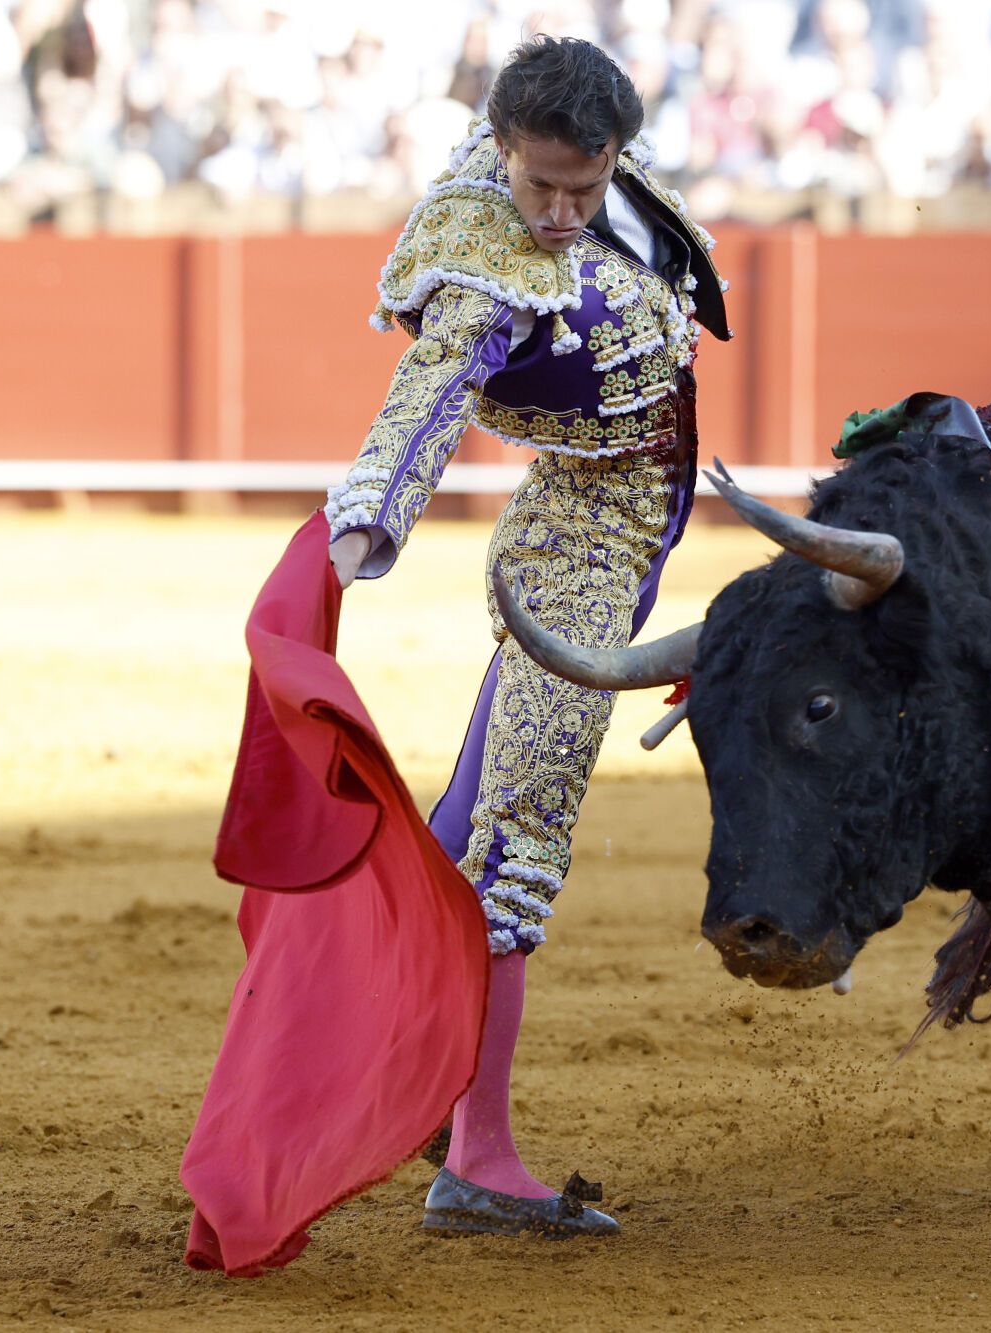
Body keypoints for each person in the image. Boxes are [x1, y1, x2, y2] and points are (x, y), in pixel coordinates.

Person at [322, 34, 730, 1240]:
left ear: (613, 150)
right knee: (517, 841)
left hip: (611, 528)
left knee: (468, 826)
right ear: (498, 149)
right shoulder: (482, 263)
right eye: (539, 184)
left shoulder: (580, 142)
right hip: (576, 566)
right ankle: (476, 1156)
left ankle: (376, 1069)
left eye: (583, 187)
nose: (558, 214)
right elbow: (426, 396)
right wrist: (355, 539)